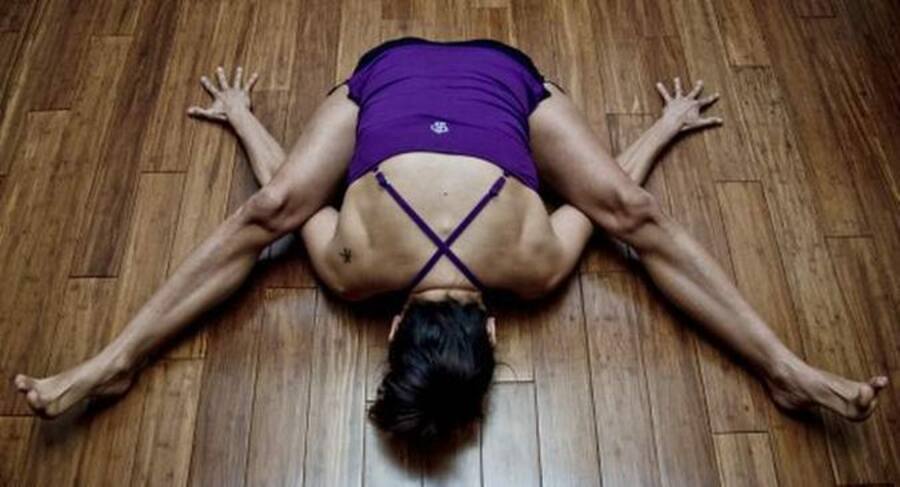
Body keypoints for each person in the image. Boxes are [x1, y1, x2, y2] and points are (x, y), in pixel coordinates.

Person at [14, 38, 887, 441]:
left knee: (270, 210)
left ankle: (116, 361)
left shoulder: (534, 268)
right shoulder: (354, 272)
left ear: (492, 333)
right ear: (395, 329)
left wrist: (660, 130)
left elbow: (615, 205)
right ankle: (782, 367)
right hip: (413, 72)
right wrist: (247, 118)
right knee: (272, 210)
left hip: (474, 74)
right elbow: (618, 205)